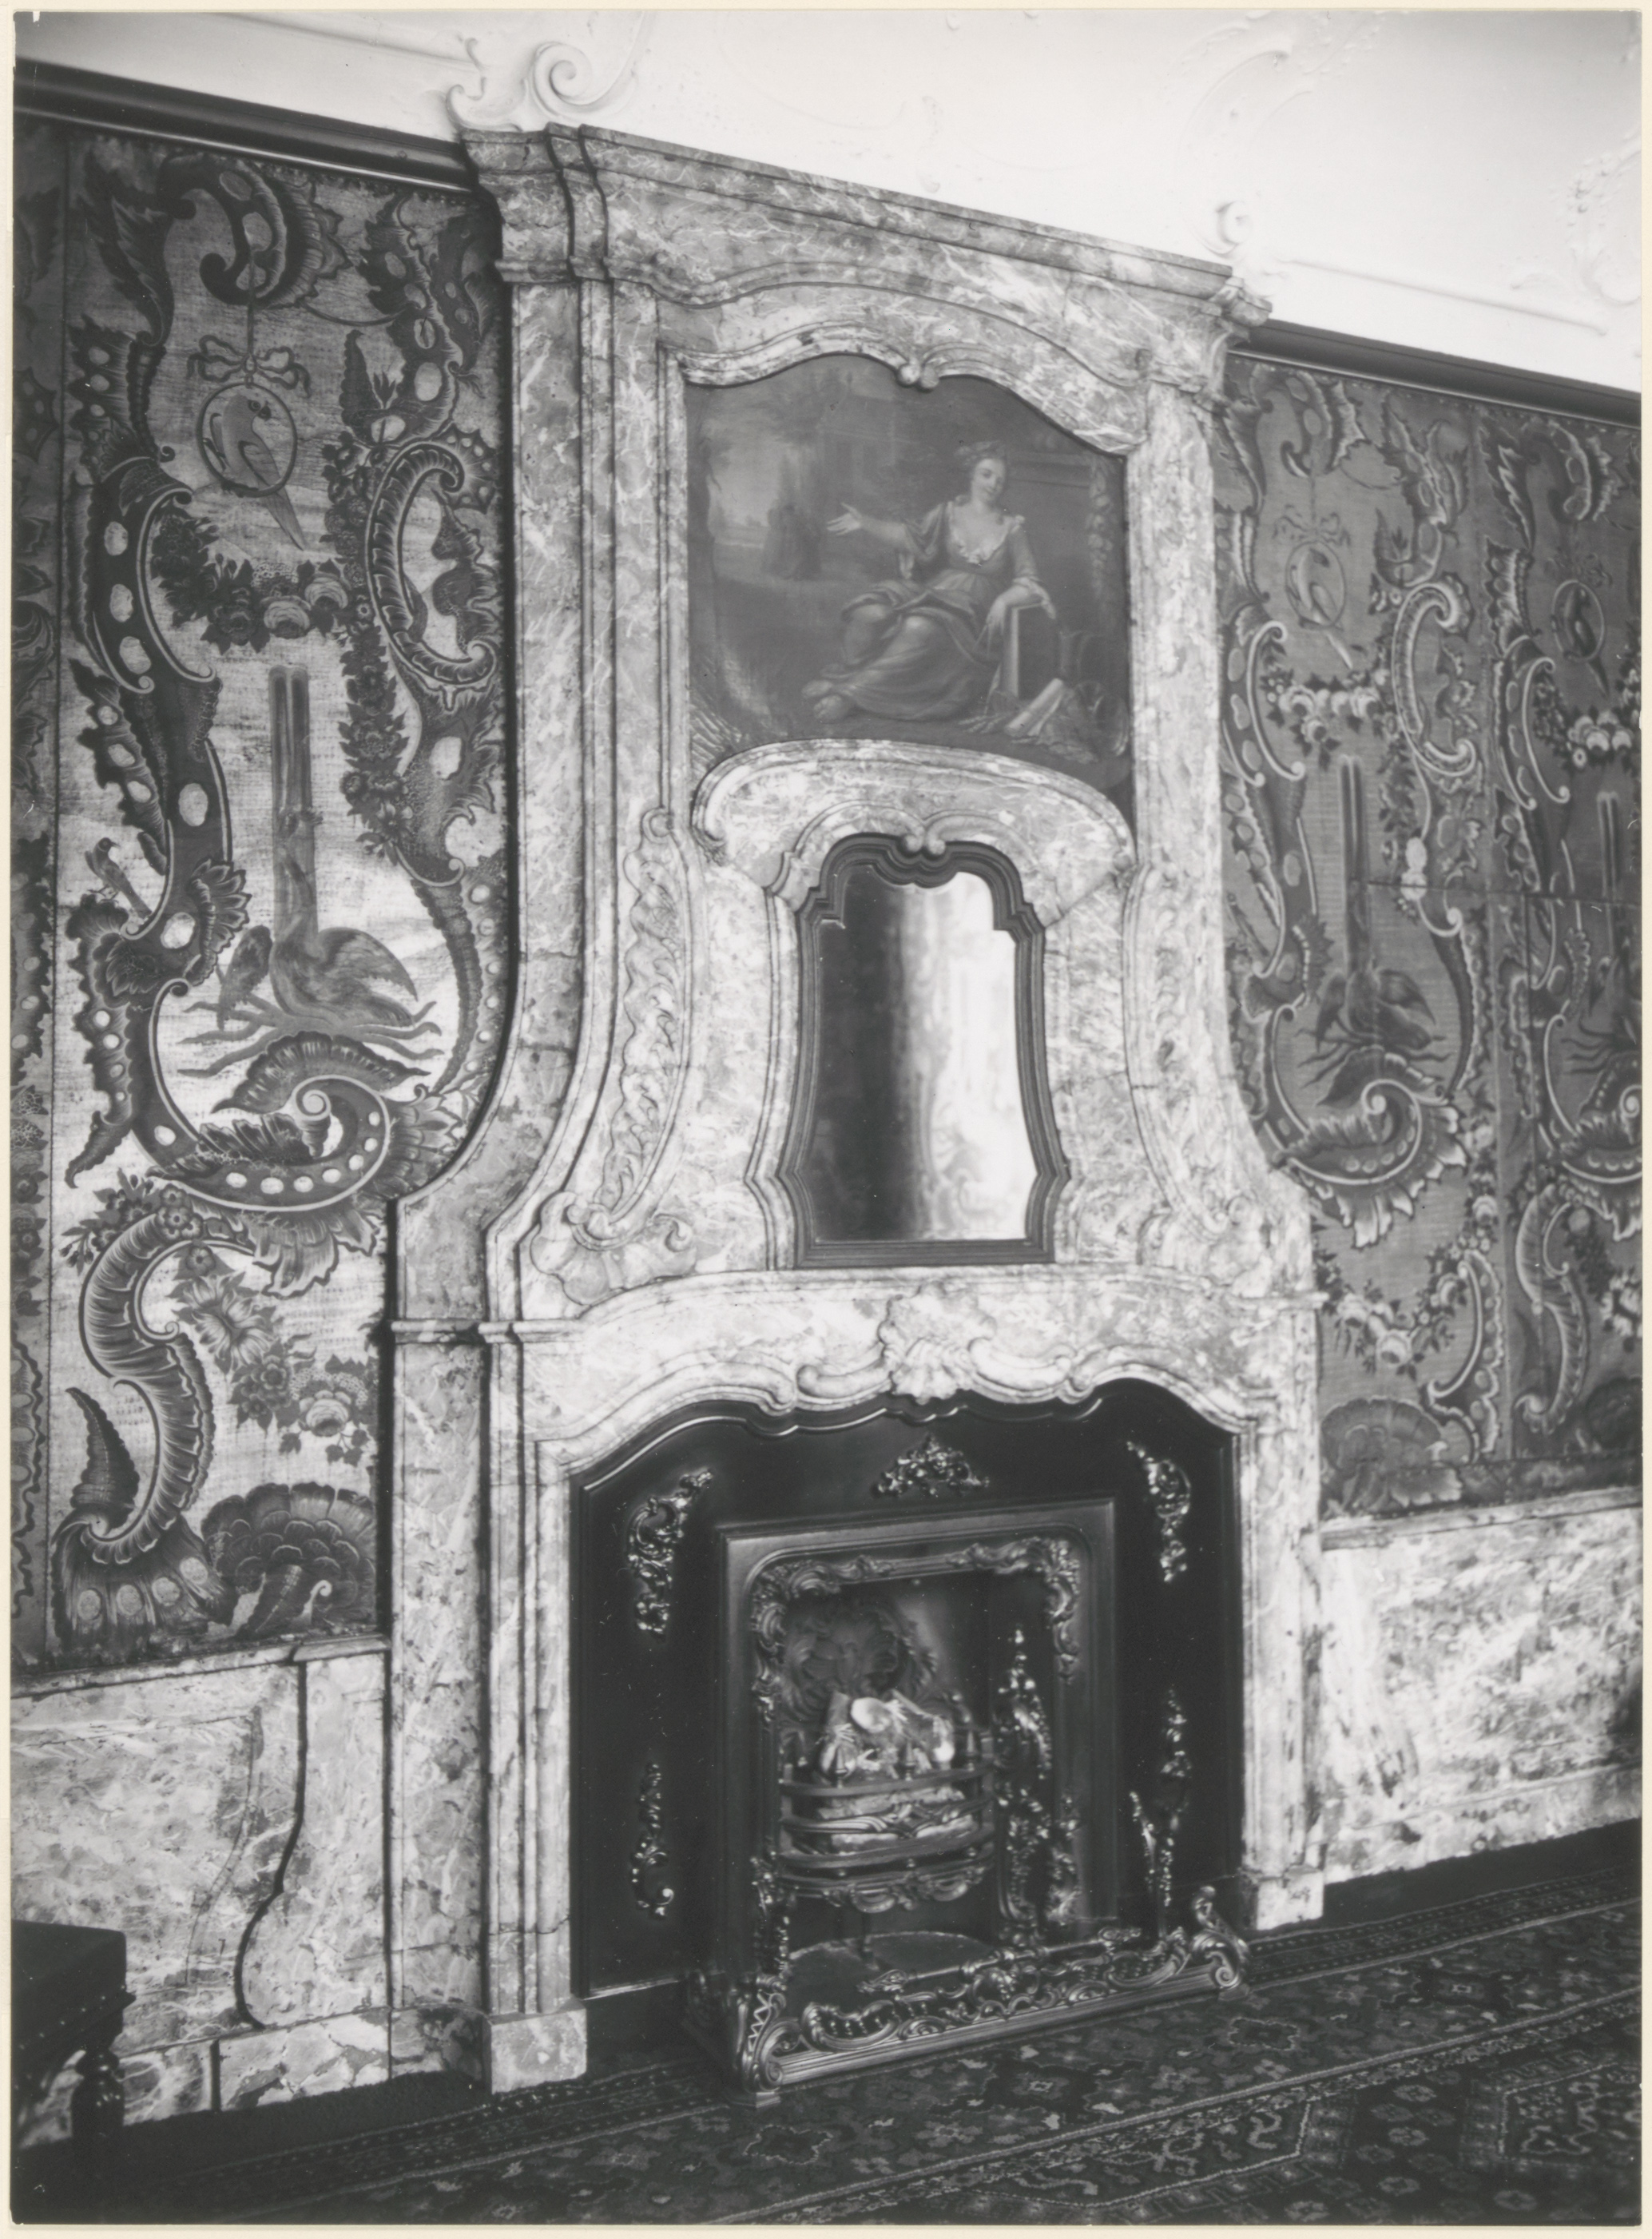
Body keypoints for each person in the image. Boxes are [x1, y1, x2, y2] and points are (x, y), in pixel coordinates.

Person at [803, 443, 1056, 725]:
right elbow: (909, 537)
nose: (993, 484)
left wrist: (1003, 600)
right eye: (986, 474)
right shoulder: (948, 513)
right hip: (937, 592)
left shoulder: (1011, 528)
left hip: (974, 613)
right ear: (971, 475)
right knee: (870, 612)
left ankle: (848, 695)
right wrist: (866, 523)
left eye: (1000, 480)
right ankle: (850, 676)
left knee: (919, 627)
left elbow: (1029, 580)